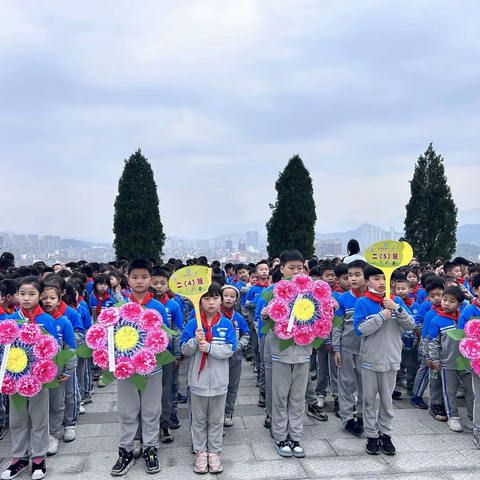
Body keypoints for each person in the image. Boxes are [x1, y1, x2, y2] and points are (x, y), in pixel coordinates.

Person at [111, 258, 168, 476]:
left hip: (152, 369)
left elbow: (163, 338)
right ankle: (125, 450)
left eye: (144, 277)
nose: (139, 281)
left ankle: (150, 448)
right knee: (127, 410)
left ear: (151, 280)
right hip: (126, 370)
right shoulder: (121, 306)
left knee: (152, 410)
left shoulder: (157, 307)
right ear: (128, 279)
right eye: (134, 277)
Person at [353, 264, 414, 456]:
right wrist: (381, 316)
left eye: (384, 279)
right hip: (370, 360)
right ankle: (371, 435)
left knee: (387, 401)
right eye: (376, 278)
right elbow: (360, 329)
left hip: (392, 360)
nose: (381, 282)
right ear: (368, 281)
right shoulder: (363, 303)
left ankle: (385, 434)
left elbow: (410, 325)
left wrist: (396, 308)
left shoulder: (396, 302)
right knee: (369, 400)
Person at [3, 276, 58, 480]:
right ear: (16, 295)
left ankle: (38, 458)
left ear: (40, 296)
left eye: (31, 294)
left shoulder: (47, 320)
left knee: (38, 417)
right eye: (22, 294)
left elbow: (54, 349)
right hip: (15, 378)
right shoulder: (9, 321)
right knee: (17, 418)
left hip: (39, 379)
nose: (26, 298)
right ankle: (18, 458)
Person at [181, 283, 236, 474]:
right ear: (200, 301)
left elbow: (230, 349)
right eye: (206, 298)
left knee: (216, 419)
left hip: (220, 382)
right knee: (198, 419)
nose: (211, 302)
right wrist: (195, 342)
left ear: (221, 300)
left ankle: (214, 452)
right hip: (198, 383)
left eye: (215, 298)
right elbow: (184, 350)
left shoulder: (227, 324)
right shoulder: (192, 323)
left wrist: (211, 348)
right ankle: (200, 451)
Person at [270, 250, 312, 459]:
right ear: (281, 269)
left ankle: (295, 436)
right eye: (291, 268)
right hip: (280, 353)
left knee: (297, 398)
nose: (296, 272)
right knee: (280, 397)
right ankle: (279, 436)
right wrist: (266, 314)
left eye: (300, 268)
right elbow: (264, 324)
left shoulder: (312, 293)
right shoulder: (273, 292)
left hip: (303, 353)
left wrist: (330, 308)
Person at [429, 286, 474, 432]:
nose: (446, 303)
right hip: (447, 363)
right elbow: (433, 341)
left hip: (466, 362)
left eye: (452, 301)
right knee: (449, 391)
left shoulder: (464, 316)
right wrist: (434, 358)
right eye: (444, 299)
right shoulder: (436, 320)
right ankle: (453, 417)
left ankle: (473, 417)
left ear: (460, 305)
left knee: (471, 391)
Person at [41, 285, 77, 456]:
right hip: (37, 373)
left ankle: (54, 434)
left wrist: (68, 370)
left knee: (57, 403)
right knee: (40, 406)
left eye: (52, 298)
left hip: (57, 372)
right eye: (44, 297)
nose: (47, 301)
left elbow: (70, 348)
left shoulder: (63, 322)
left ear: (59, 301)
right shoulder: (32, 322)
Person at [333, 260, 367, 436]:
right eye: (349, 275)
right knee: (346, 383)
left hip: (367, 350)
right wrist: (336, 348)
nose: (352, 279)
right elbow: (337, 325)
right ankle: (346, 417)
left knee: (365, 383)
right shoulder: (343, 299)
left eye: (357, 275)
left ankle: (362, 416)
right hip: (346, 347)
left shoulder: (373, 298)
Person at [151, 267, 184, 436]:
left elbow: (177, 331)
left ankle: (170, 416)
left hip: (168, 354)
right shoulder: (144, 305)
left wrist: (177, 355)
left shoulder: (173, 305)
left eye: (162, 283)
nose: (158, 286)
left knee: (170, 386)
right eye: (155, 282)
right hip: (148, 357)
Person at [410, 277, 447, 419]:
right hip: (427, 344)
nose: (437, 298)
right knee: (424, 369)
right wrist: (421, 335)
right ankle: (416, 395)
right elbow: (417, 322)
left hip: (442, 346)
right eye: (432, 296)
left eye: (439, 294)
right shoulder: (428, 309)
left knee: (434, 373)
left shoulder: (450, 308)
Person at [220, 284, 250, 427]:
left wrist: (239, 346)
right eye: (225, 295)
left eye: (232, 296)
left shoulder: (237, 317)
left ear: (236, 300)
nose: (228, 299)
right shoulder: (214, 316)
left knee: (232, 386)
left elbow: (246, 334)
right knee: (219, 385)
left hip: (234, 359)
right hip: (217, 359)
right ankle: (217, 412)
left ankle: (228, 411)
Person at [459, 275, 480, 448]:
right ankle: (478, 430)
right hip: (478, 362)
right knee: (479, 397)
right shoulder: (469, 311)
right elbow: (462, 338)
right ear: (475, 290)